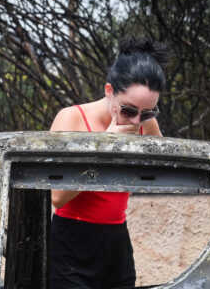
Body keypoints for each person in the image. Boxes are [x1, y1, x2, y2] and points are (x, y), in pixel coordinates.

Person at [49, 36, 168, 289]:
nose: (137, 121)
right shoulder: (72, 118)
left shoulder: (147, 124)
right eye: (128, 110)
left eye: (147, 112)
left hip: (117, 242)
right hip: (71, 240)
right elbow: (57, 196)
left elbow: (161, 172)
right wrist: (105, 145)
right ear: (109, 91)